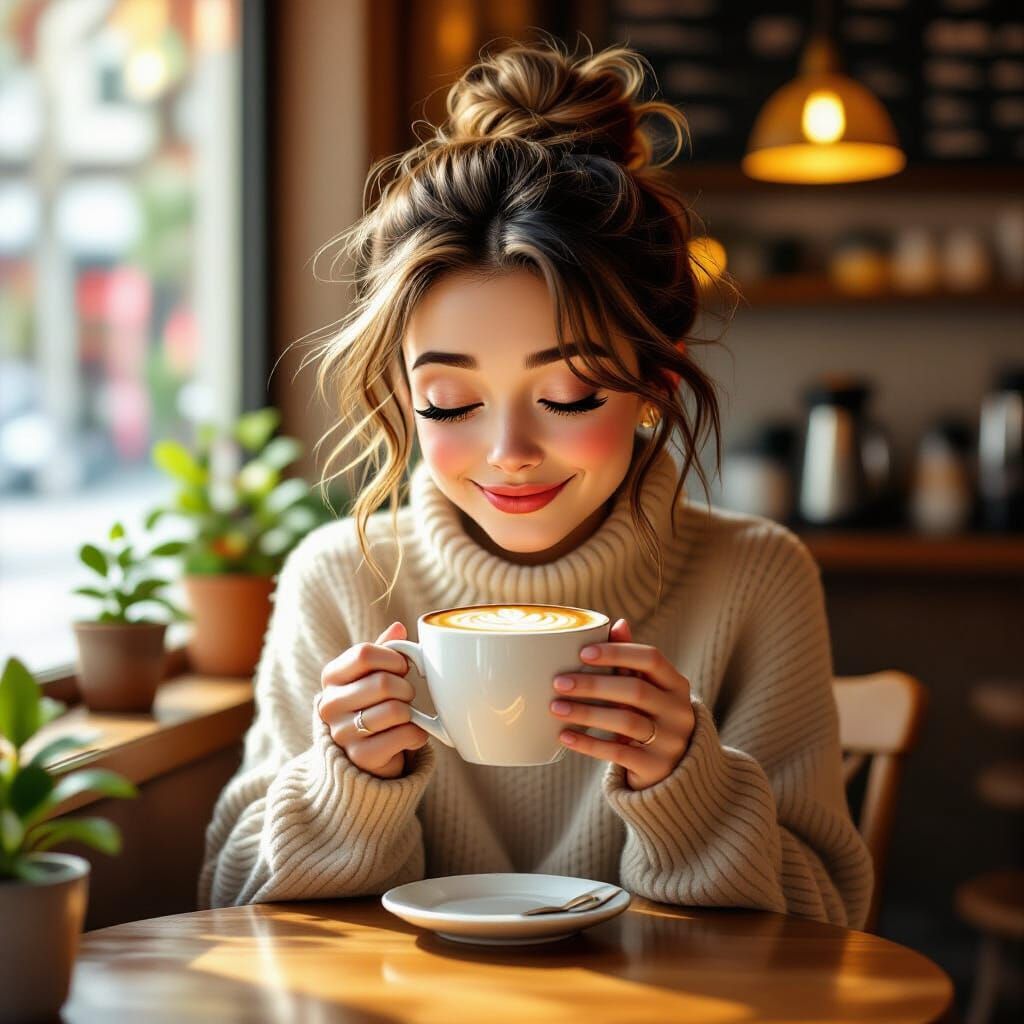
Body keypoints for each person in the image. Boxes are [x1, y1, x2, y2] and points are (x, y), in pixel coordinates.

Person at [198, 37, 873, 928]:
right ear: (402, 399)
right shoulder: (343, 580)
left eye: (568, 394)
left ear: (652, 389)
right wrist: (352, 781)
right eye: (447, 402)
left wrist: (686, 783)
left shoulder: (755, 580)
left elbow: (827, 928)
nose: (508, 450)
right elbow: (228, 907)